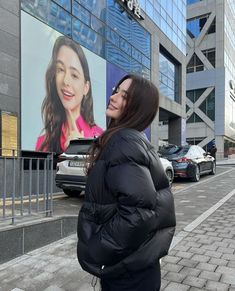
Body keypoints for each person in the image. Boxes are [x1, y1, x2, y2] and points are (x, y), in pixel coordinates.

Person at [77, 74, 176, 291]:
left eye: (125, 96)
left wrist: (97, 249)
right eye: (116, 90)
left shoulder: (123, 141)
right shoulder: (134, 138)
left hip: (128, 275)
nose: (113, 97)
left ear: (138, 107)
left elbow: (138, 213)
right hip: (135, 266)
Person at [36, 35, 103, 153]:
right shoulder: (43, 142)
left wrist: (77, 149)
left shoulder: (99, 137)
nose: (66, 81)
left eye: (74, 75)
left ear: (86, 87)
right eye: (60, 69)